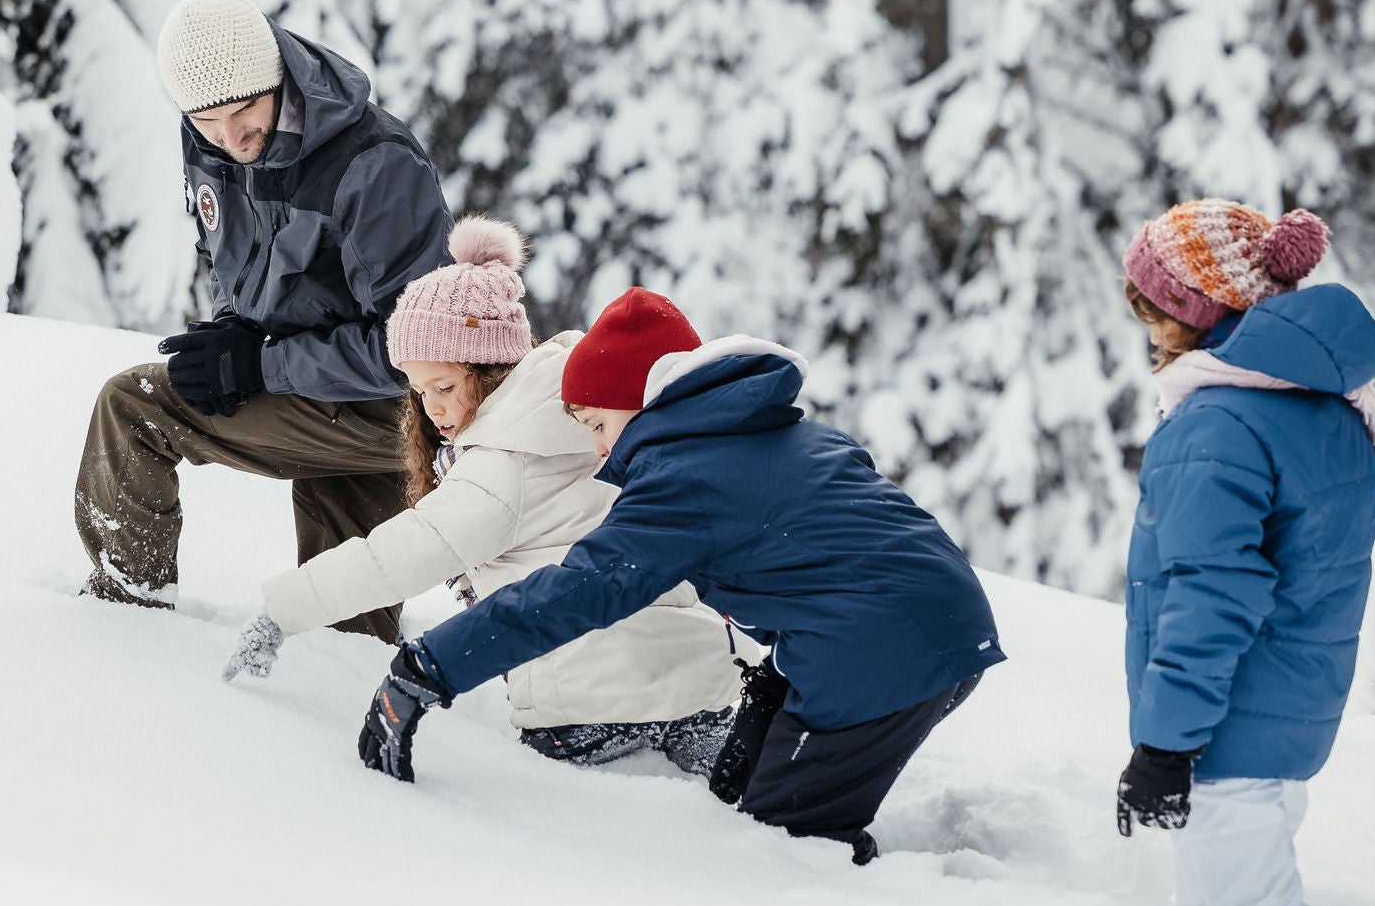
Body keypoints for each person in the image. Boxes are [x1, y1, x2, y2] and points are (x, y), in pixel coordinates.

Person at [353, 288, 1005, 864]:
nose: (602, 452)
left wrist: (427, 669)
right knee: (746, 769)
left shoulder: (681, 482)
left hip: (880, 650)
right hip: (943, 625)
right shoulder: (764, 432)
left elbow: (570, 596)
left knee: (786, 846)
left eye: (600, 426)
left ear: (638, 401)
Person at [223, 218, 741, 772]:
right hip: (703, 687)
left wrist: (283, 609)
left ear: (493, 369)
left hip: (587, 704)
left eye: (444, 387)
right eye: (419, 392)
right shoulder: (591, 417)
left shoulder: (504, 461)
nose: (433, 410)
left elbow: (397, 558)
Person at [73, 0, 452, 641]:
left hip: (401, 412)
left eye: (246, 109)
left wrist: (260, 364)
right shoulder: (211, 141)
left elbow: (419, 352)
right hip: (323, 392)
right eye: (208, 119)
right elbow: (230, 254)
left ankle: (122, 631)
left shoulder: (372, 164)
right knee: (347, 638)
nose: (231, 136)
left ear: (280, 78)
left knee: (134, 407)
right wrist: (235, 326)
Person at [1113, 199, 1375, 906]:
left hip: (1225, 736)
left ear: (1200, 314)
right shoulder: (1335, 411)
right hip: (1284, 718)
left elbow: (1209, 595)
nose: (1150, 337)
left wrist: (1166, 747)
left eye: (1156, 314)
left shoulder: (1218, 426)